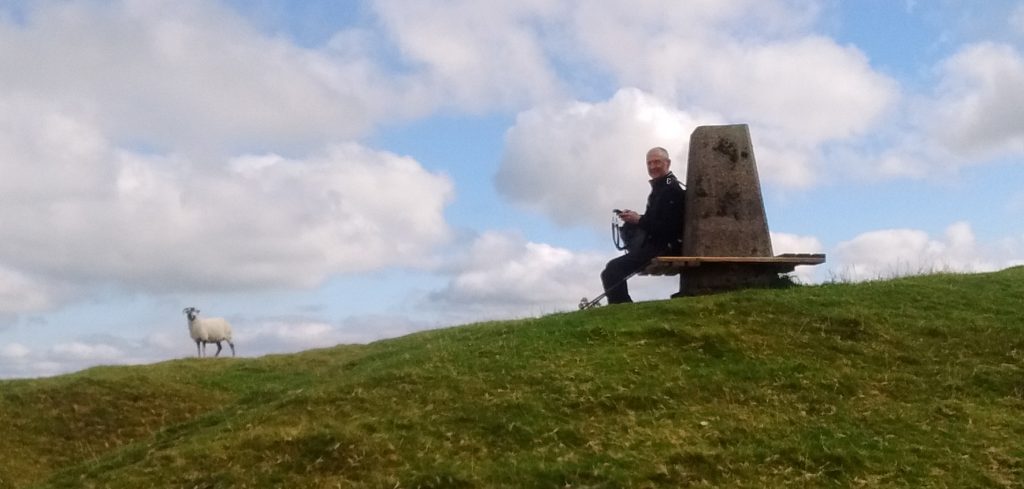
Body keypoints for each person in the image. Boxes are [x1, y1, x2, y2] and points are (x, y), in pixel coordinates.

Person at [600, 147, 685, 304]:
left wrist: (638, 220)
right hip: (658, 243)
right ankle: (622, 308)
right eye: (649, 163)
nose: (653, 167)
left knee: (612, 270)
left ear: (668, 163)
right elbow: (658, 218)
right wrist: (635, 217)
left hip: (664, 245)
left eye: (657, 162)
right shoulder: (663, 186)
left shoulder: (670, 189)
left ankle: (622, 310)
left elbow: (668, 229)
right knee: (611, 270)